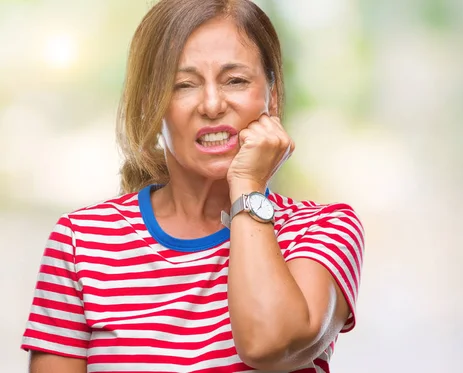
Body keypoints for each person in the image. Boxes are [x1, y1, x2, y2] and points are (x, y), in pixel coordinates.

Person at [21, 0, 365, 372]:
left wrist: (247, 186)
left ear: (273, 95)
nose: (212, 104)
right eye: (184, 84)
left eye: (235, 80)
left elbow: (268, 344)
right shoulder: (80, 242)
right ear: (149, 105)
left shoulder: (323, 230)